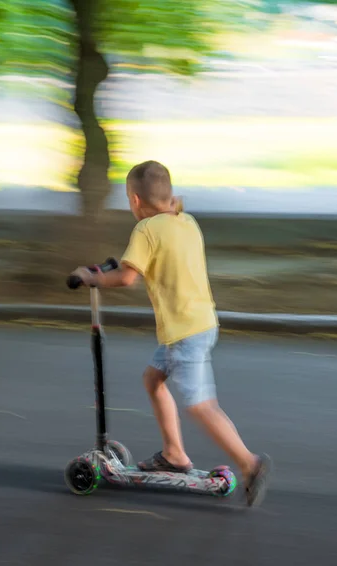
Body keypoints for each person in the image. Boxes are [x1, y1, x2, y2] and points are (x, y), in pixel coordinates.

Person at [70, 160, 271, 506]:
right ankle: (174, 453)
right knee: (153, 379)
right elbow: (150, 256)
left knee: (200, 405)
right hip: (202, 323)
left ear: (134, 200)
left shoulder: (146, 230)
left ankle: (249, 463)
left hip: (183, 332)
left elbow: (127, 277)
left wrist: (92, 278)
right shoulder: (186, 222)